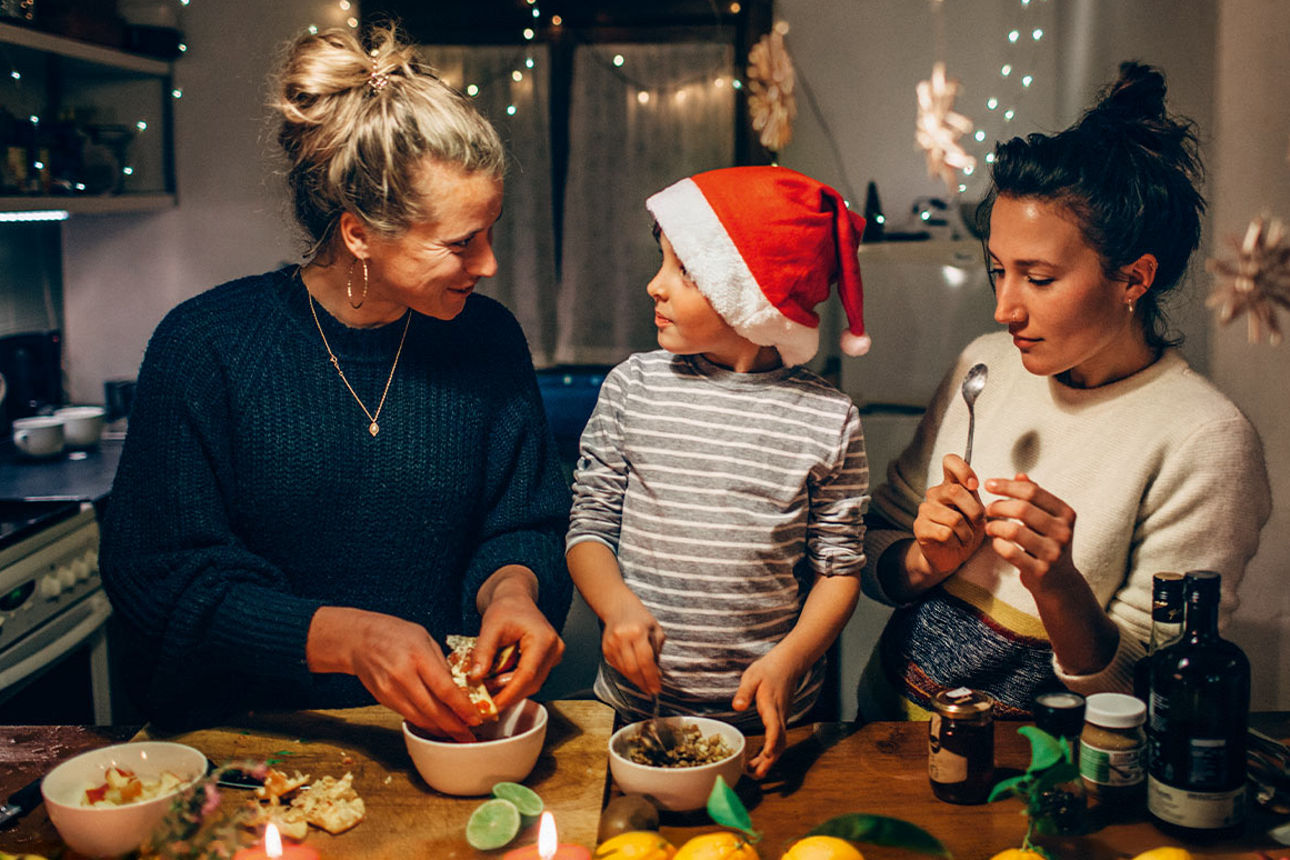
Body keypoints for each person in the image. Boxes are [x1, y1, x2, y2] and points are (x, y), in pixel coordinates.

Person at [99, 24, 571, 735]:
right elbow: (160, 579)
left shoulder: (488, 340)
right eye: (460, 243)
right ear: (358, 234)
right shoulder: (205, 346)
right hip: (250, 742)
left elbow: (522, 522)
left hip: (441, 736)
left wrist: (514, 593)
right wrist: (349, 640)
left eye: (491, 230)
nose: (490, 265)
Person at [858, 62, 1271, 721]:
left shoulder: (1205, 439)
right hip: (886, 734)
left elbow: (1152, 690)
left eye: (1038, 278)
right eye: (998, 270)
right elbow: (876, 547)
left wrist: (1058, 587)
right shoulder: (983, 365)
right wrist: (925, 558)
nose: (1005, 309)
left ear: (1133, 279)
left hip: (1041, 778)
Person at [567, 166, 871, 776]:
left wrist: (788, 662)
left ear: (749, 295)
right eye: (662, 262)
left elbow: (838, 570)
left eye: (684, 271)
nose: (656, 286)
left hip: (768, 724)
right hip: (634, 714)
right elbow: (588, 527)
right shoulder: (633, 386)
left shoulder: (828, 417)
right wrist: (618, 609)